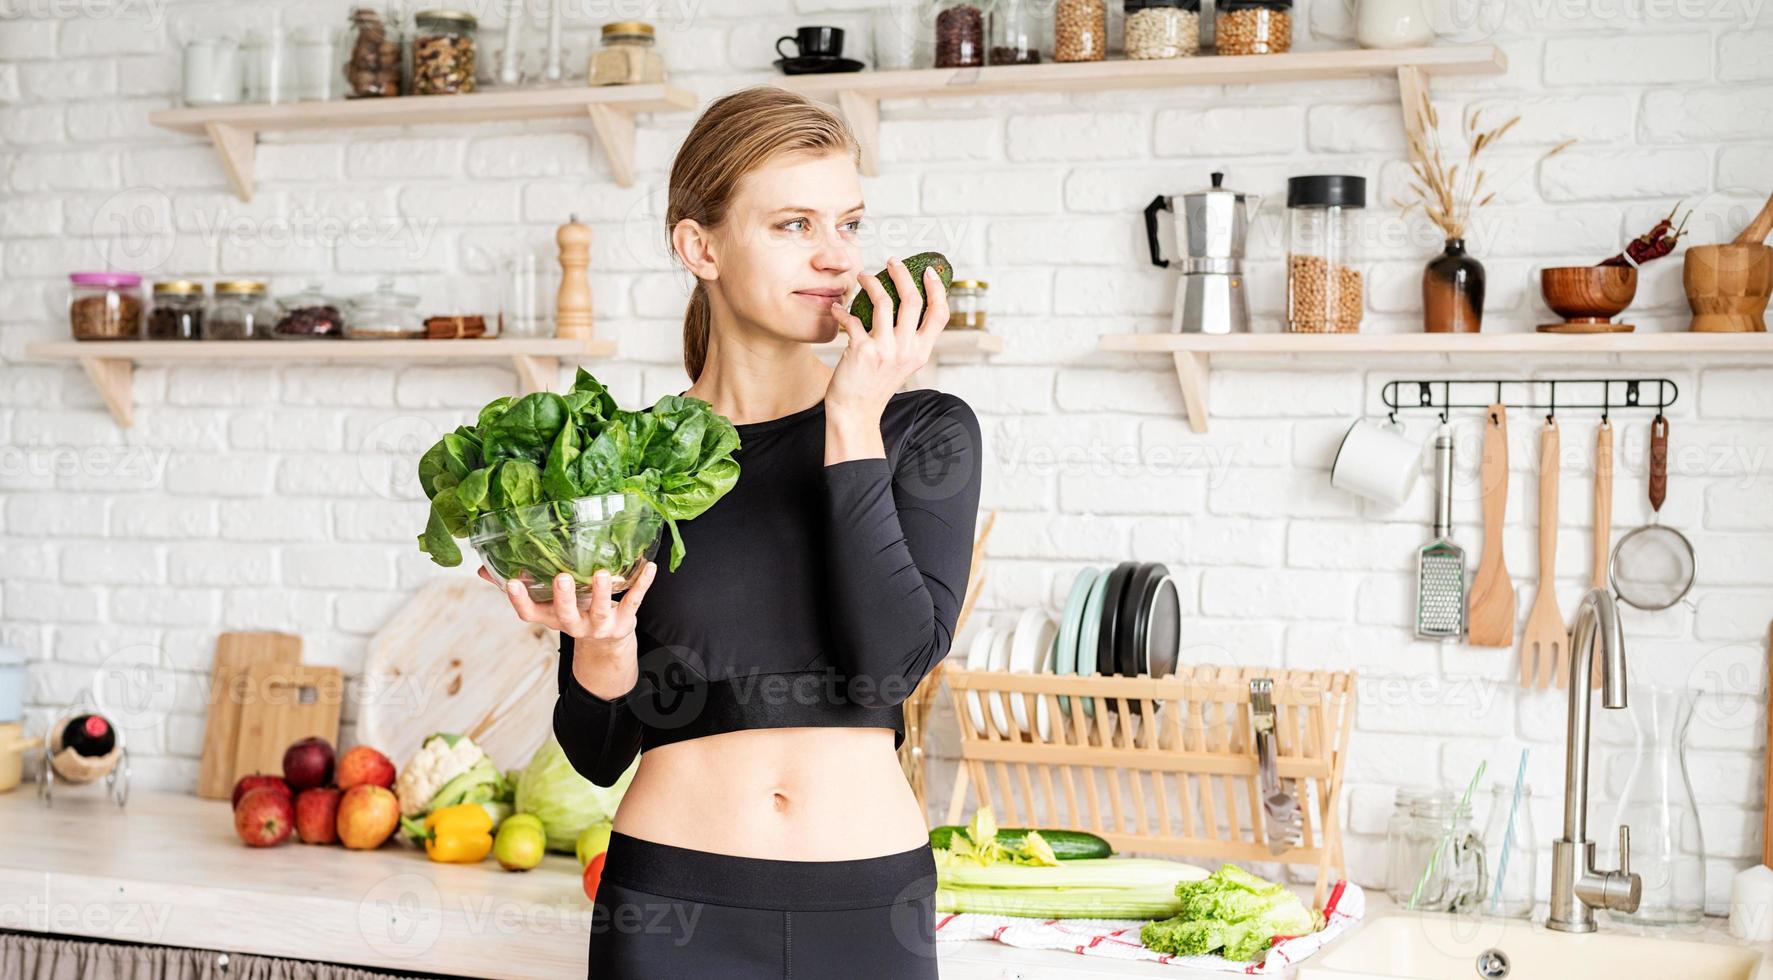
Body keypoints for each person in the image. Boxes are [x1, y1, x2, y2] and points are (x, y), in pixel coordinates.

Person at [481, 85, 983, 979]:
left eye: (849, 224)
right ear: (698, 246)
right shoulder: (623, 463)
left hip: (867, 904)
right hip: (670, 902)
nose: (835, 258)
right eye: (794, 225)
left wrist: (854, 417)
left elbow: (892, 663)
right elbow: (598, 755)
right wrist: (601, 650)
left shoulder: (921, 431)